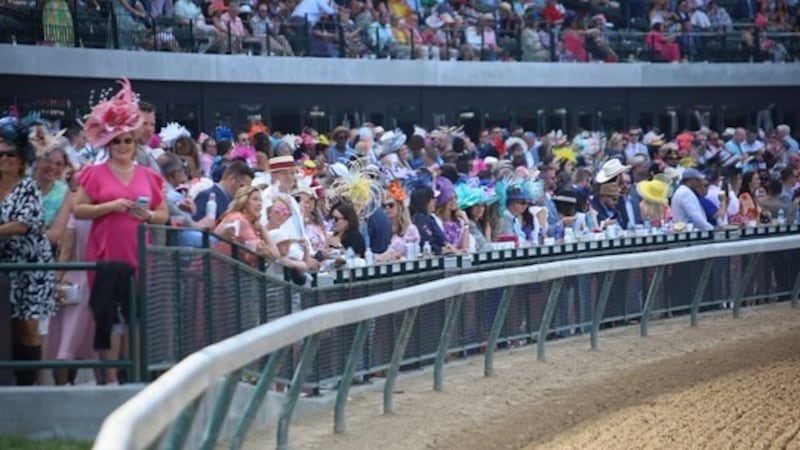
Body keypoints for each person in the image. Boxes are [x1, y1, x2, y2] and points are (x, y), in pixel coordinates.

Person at [73, 79, 168, 384]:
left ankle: (133, 375)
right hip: (104, 254)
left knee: (135, 319)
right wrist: (109, 206)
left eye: (128, 140)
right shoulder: (94, 174)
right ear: (108, 144)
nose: (124, 146)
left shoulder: (149, 176)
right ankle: (110, 379)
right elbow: (79, 209)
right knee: (108, 319)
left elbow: (163, 214)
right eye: (117, 141)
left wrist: (149, 214)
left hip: (139, 255)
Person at [0, 115, 56, 385]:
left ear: (22, 157)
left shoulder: (28, 187)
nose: (4, 158)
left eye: (10, 153)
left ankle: (28, 385)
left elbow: (25, 224)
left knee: (28, 326)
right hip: (4, 268)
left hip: (30, 266)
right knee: (7, 326)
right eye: (0, 154)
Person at [214, 186, 278, 264]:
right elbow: (275, 254)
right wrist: (262, 229)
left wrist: (261, 228)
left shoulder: (248, 222)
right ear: (244, 201)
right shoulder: (238, 219)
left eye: (261, 201)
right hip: (212, 269)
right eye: (255, 199)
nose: (259, 204)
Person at [377, 181, 420, 261]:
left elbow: (405, 250)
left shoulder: (410, 229)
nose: (387, 209)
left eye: (390, 205)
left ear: (399, 206)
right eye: (383, 206)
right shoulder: (381, 227)